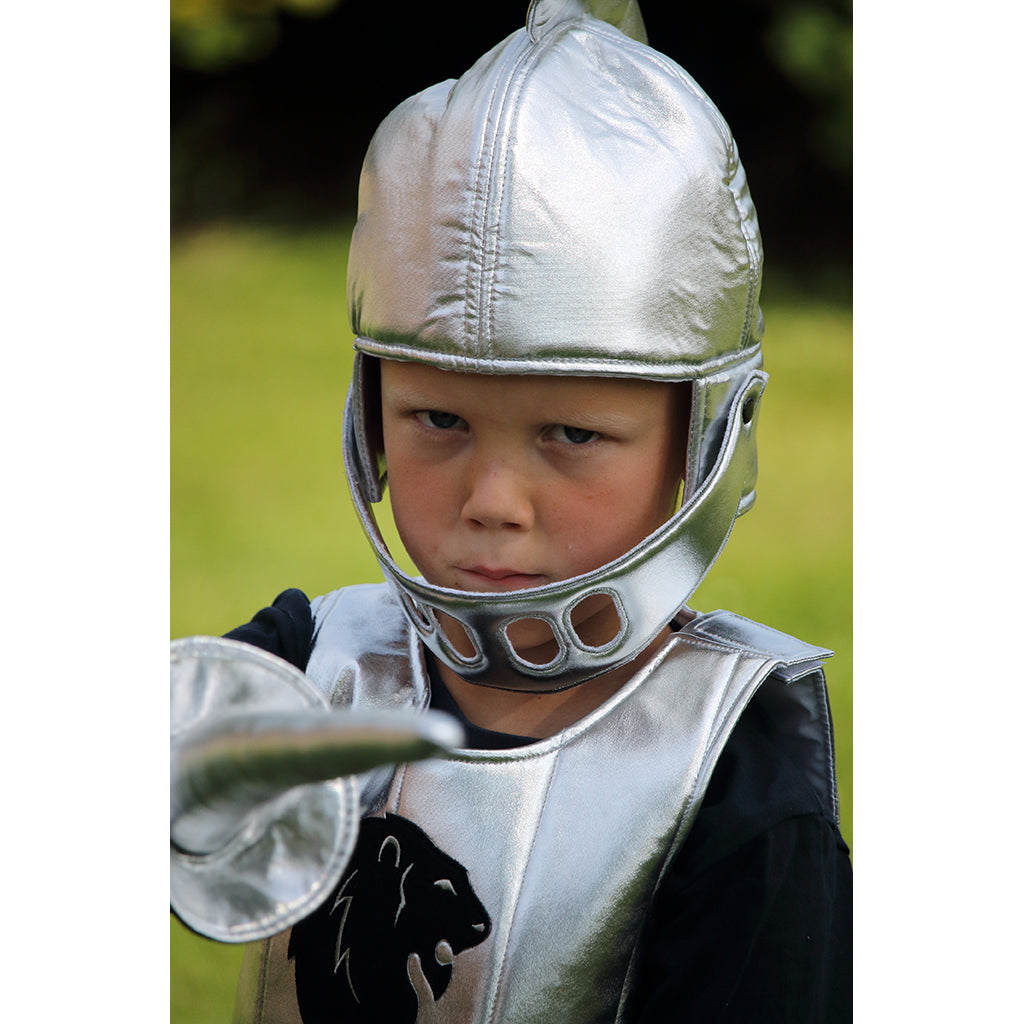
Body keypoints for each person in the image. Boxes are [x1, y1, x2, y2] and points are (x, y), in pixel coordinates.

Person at [170, 1, 852, 1021]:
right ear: (371, 413)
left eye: (570, 435)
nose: (491, 503)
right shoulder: (305, 665)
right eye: (438, 417)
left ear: (705, 436)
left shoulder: (733, 775)